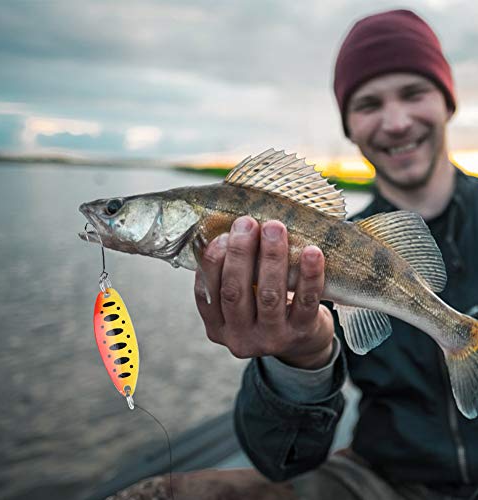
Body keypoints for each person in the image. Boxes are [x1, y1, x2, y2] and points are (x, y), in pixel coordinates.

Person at [110, 9, 478, 500]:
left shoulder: (347, 240)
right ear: (349, 124)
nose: (395, 121)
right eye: (369, 103)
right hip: (383, 476)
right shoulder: (315, 254)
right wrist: (299, 359)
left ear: (447, 102)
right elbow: (282, 461)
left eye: (414, 94)